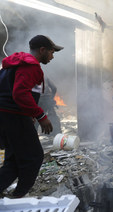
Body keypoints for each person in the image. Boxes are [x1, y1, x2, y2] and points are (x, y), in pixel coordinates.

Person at [0, 35, 63, 198]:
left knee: (14, 159)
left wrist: (29, 113)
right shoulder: (31, 66)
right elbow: (19, 94)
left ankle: (11, 194)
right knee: (34, 157)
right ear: (42, 50)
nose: (52, 56)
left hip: (8, 116)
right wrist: (41, 115)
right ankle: (18, 196)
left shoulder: (16, 64)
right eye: (51, 52)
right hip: (14, 117)